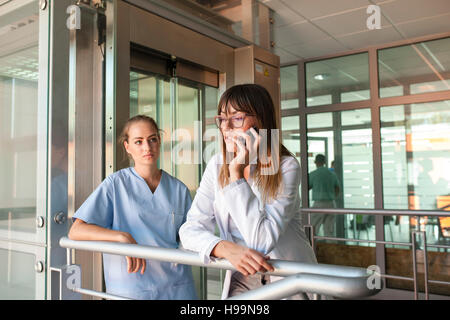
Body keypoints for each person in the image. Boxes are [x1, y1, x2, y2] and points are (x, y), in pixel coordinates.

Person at [179, 84, 317, 299]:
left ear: (260, 121)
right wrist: (224, 248)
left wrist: (235, 172)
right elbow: (189, 230)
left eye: (237, 118)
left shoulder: (286, 166)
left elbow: (261, 242)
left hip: (285, 279)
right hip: (241, 278)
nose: (226, 127)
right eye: (223, 119)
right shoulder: (216, 164)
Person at [68, 115, 197, 300]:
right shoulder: (115, 184)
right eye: (138, 141)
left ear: (159, 142)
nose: (147, 147)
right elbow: (76, 231)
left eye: (152, 139)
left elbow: (191, 236)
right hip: (132, 288)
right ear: (127, 147)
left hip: (177, 288)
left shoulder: (179, 189)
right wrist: (122, 236)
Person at [308, 154, 340, 236]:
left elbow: (307, 187)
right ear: (325, 162)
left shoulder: (313, 174)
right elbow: (337, 188)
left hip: (318, 204)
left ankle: (313, 248)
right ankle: (330, 247)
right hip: (331, 203)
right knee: (330, 230)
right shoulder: (332, 174)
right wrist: (332, 197)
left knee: (313, 230)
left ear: (315, 162)